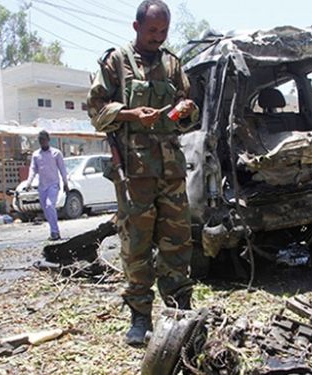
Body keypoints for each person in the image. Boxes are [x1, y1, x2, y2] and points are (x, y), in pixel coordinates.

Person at [87, 0, 199, 347]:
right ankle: (139, 318)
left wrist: (185, 110)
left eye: (163, 31)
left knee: (178, 242)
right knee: (136, 245)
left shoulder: (172, 63)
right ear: (136, 27)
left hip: (170, 171)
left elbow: (190, 112)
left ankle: (180, 311)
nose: (158, 37)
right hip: (134, 174)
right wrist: (133, 115)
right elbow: (96, 111)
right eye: (152, 31)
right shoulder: (115, 63)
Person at [25, 130, 69, 241]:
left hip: (53, 185)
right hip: (42, 187)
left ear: (48, 140)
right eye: (40, 140)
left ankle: (55, 232)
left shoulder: (56, 153)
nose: (42, 142)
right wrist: (28, 183)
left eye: (44, 140)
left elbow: (62, 169)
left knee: (50, 206)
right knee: (46, 210)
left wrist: (65, 183)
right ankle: (53, 231)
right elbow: (33, 170)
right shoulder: (36, 155)